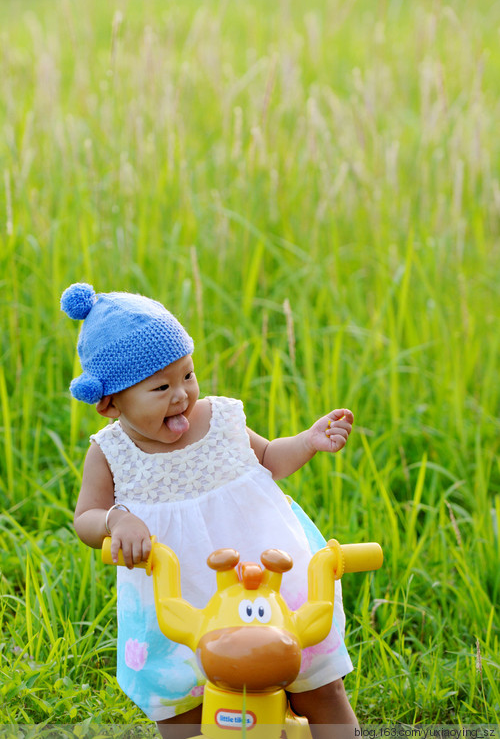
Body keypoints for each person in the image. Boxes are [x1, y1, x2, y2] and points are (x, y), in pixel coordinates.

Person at [62, 282, 358, 739]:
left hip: (265, 582)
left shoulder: (220, 418)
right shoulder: (110, 452)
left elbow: (269, 460)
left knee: (315, 684)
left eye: (188, 375)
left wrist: (307, 442)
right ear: (109, 403)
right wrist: (116, 519)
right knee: (181, 710)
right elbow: (85, 519)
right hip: (176, 599)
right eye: (161, 387)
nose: (181, 396)